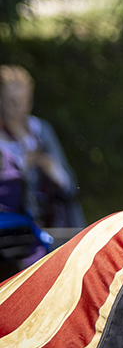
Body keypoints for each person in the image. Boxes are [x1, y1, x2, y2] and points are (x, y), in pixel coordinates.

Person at [0, 65, 85, 231]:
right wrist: (23, 165)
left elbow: (70, 185)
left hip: (53, 224)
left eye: (26, 102)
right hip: (14, 230)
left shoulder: (41, 130)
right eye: (13, 103)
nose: (21, 109)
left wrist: (50, 168)